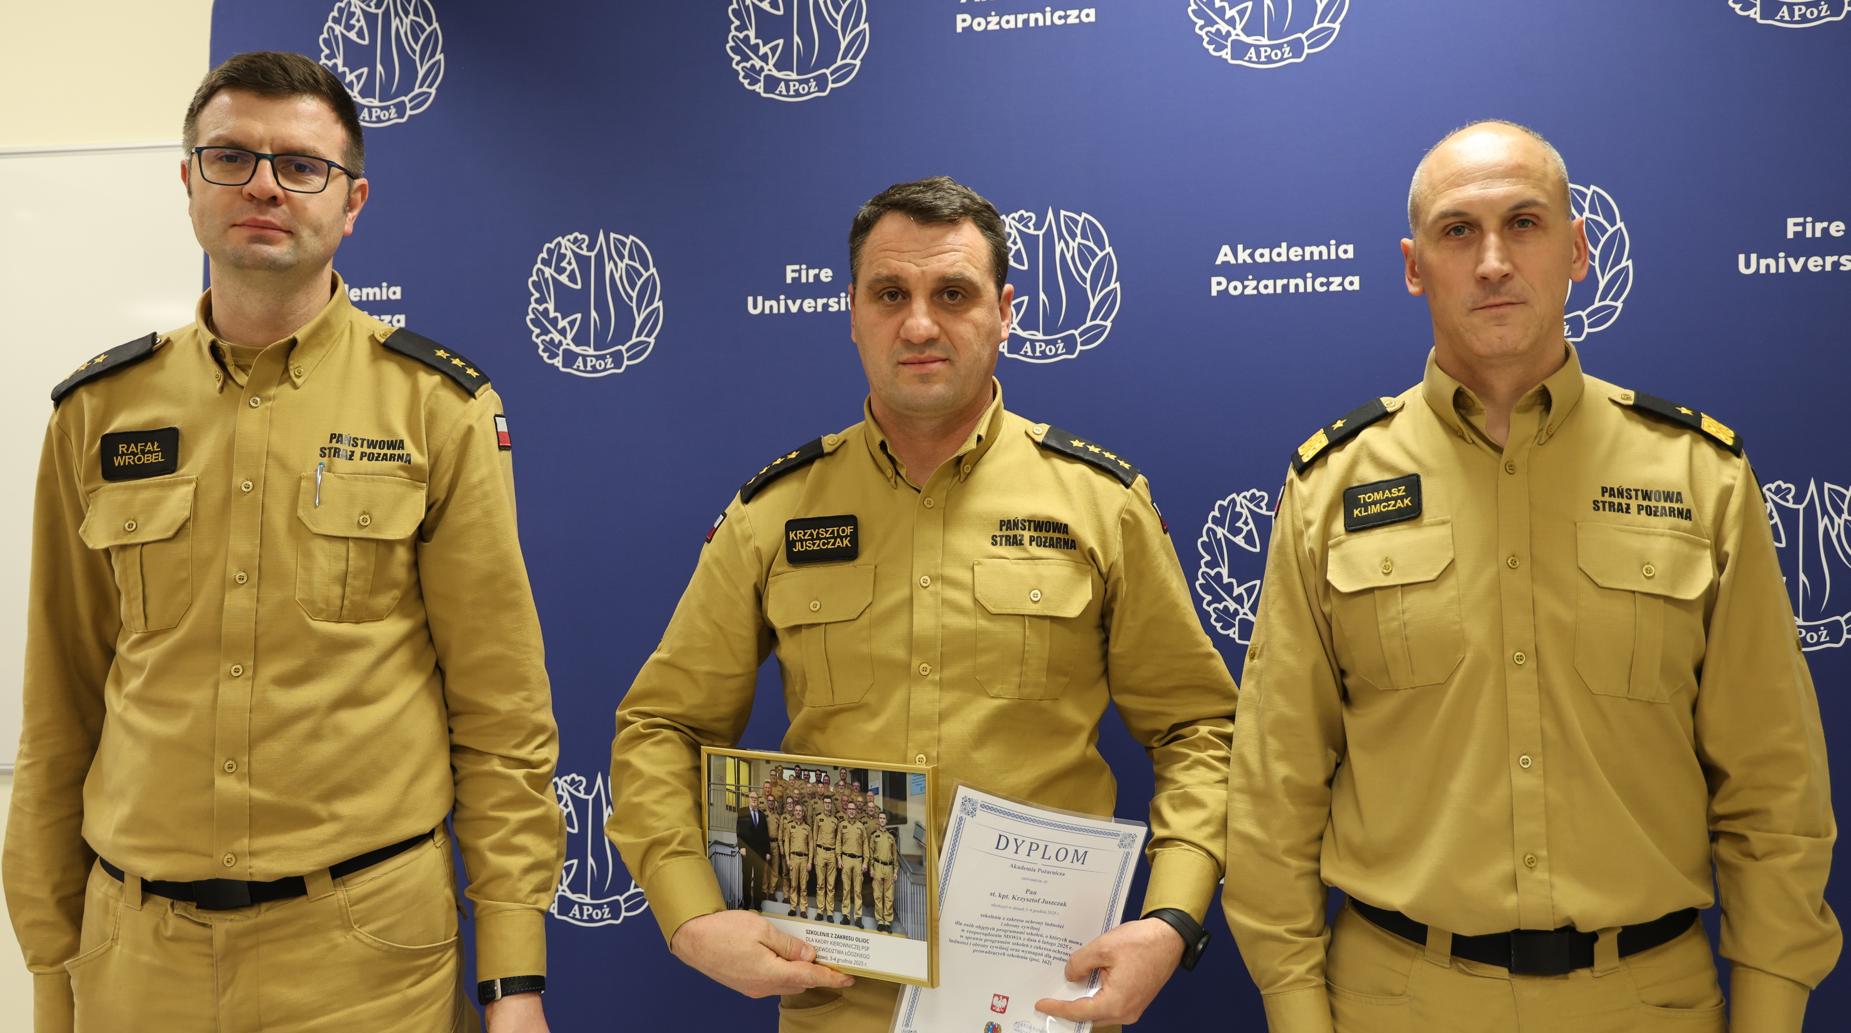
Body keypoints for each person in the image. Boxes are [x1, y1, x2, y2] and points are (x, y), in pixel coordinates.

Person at [1220, 120, 1840, 1033]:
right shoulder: (1331, 486)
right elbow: (1275, 787)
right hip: (1395, 1001)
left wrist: (1770, 1010)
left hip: (1646, 1002)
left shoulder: (1698, 475)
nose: (1493, 261)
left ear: (1577, 249)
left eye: (1523, 222)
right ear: (1413, 267)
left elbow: (1772, 781)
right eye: (1456, 231)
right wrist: (1293, 1006)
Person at [2, 51, 563, 1033]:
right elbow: (60, 712)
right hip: (137, 963)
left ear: (352, 203)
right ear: (188, 182)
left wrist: (513, 980)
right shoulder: (97, 412)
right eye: (231, 157)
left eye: (302, 166)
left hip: (365, 962)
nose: (264, 184)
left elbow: (501, 716)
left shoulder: (436, 408)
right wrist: (53, 972)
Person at [609, 175, 1238, 1031]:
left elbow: (1197, 728)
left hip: (1040, 996)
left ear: (1004, 312)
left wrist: (1169, 918)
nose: (917, 324)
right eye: (889, 294)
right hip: (836, 996)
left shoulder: (1100, 505)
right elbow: (661, 725)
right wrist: (688, 914)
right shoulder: (774, 513)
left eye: (952, 293)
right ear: (851, 312)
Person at [738, 792, 773, 911]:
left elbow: (765, 835)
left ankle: (758, 904)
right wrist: (741, 847)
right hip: (747, 852)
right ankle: (746, 903)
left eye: (756, 798)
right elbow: (739, 832)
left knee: (758, 879)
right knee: (747, 879)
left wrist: (767, 851)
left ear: (758, 800)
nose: (754, 800)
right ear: (748, 799)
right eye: (752, 798)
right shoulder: (742, 812)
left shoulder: (762, 815)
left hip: (760, 853)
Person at [838, 801, 868, 928]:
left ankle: (858, 917)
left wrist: (865, 862)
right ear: (847, 810)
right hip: (845, 859)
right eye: (849, 809)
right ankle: (845, 915)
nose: (851, 811)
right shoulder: (842, 825)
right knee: (846, 889)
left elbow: (865, 844)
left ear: (856, 811)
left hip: (858, 861)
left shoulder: (861, 826)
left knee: (858, 890)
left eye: (853, 809)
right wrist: (839, 858)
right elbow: (838, 842)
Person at [868, 819, 899, 935]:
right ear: (878, 821)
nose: (882, 820)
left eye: (884, 819)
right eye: (880, 818)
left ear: (886, 821)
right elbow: (871, 853)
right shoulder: (874, 836)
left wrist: (895, 871)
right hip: (877, 866)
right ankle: (880, 921)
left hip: (889, 868)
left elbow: (895, 855)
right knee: (878, 895)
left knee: (889, 896)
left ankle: (888, 922)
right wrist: (871, 868)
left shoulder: (891, 837)